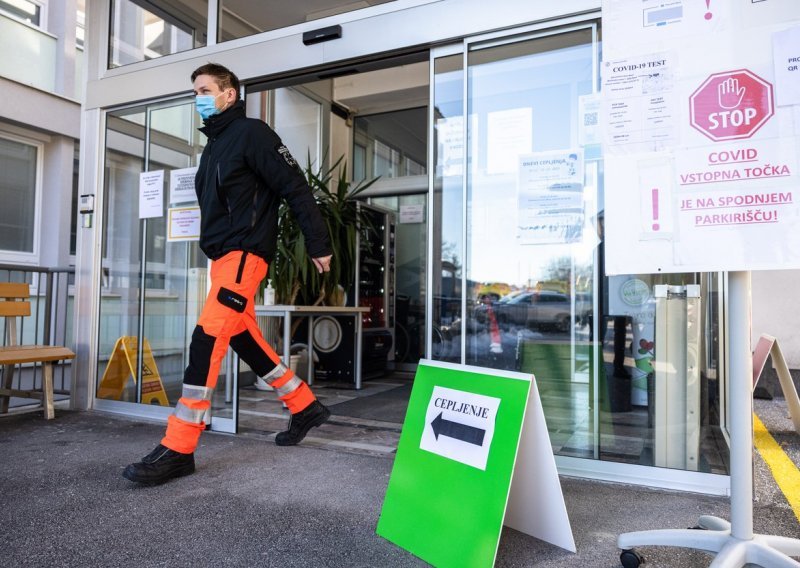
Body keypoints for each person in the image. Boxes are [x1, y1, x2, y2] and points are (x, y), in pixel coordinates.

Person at [123, 63, 333, 485]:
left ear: (229, 94)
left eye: (205, 89)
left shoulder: (253, 135)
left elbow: (295, 186)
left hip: (244, 255)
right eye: (195, 91)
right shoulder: (214, 146)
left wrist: (319, 243)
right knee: (243, 338)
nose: (198, 97)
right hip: (222, 260)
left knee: (207, 339)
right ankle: (304, 404)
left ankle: (180, 446)